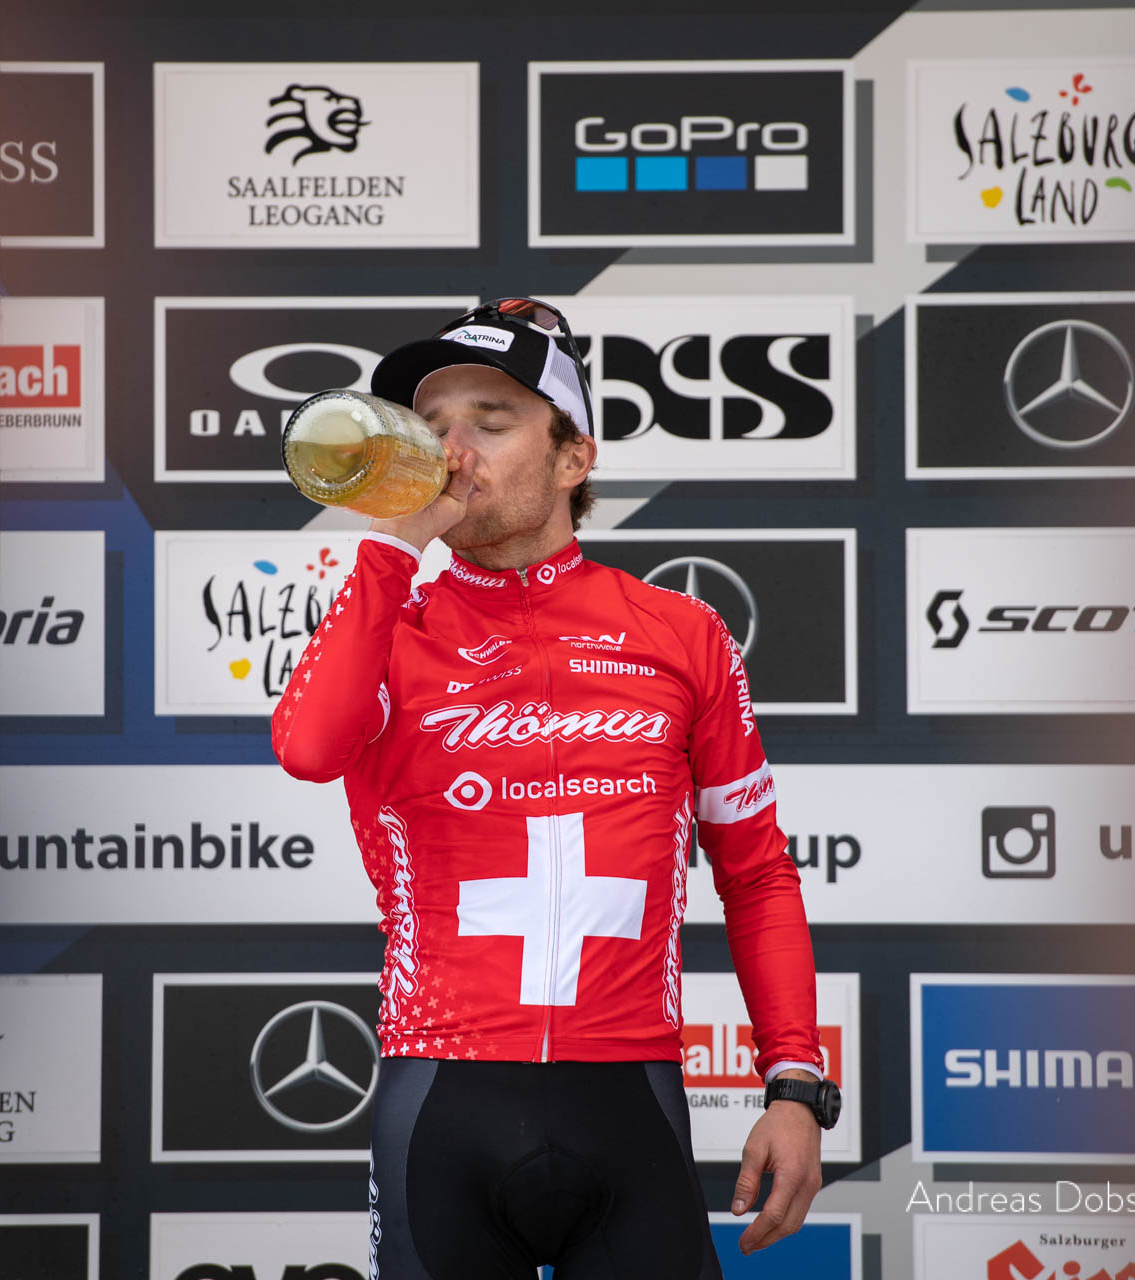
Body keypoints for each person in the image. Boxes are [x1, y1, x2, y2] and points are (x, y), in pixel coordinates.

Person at [272, 299, 835, 1278]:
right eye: (430, 426)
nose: (453, 452)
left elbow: (755, 873)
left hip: (629, 1099)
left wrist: (794, 1085)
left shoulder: (682, 632)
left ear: (573, 457)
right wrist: (392, 549)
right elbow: (310, 749)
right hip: (442, 1097)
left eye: (489, 422)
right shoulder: (387, 623)